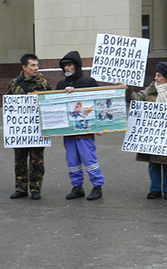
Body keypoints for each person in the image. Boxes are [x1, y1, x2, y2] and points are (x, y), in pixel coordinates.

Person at [127, 62, 167, 200]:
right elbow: (136, 100)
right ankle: (155, 189)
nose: (156, 78)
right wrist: (128, 89)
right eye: (156, 75)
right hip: (152, 135)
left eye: (159, 75)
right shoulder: (149, 90)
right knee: (153, 163)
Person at [56, 51, 104, 201]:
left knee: (89, 159)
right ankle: (77, 187)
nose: (67, 68)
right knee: (72, 161)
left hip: (85, 130)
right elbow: (55, 106)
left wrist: (100, 126)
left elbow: (98, 104)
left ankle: (97, 186)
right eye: (64, 66)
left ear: (77, 65)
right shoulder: (61, 85)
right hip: (68, 131)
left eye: (69, 65)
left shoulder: (89, 82)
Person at [6, 54, 53, 200]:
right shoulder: (14, 84)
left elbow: (50, 103)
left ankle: (35, 188)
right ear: (24, 67)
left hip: (37, 129)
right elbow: (8, 105)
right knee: (19, 160)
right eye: (32, 65)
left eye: (37, 65)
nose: (36, 68)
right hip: (20, 130)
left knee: (36, 161)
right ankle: (20, 188)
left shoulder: (43, 83)